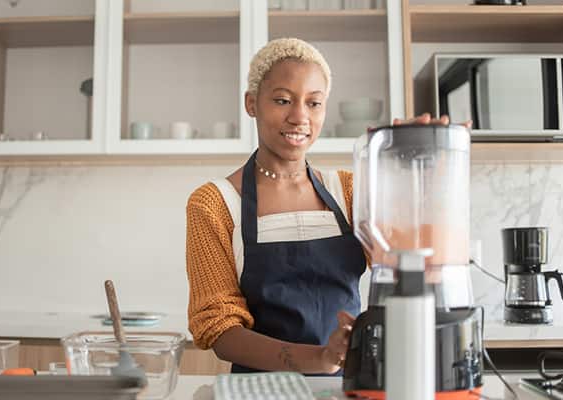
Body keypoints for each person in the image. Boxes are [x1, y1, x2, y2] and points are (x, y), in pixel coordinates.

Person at [185, 37, 458, 375]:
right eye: (283, 100)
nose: (299, 117)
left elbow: (408, 265)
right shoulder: (214, 203)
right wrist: (318, 358)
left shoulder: (349, 190)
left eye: (313, 103)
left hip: (349, 382)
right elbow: (219, 330)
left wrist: (418, 164)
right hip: (260, 391)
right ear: (252, 103)